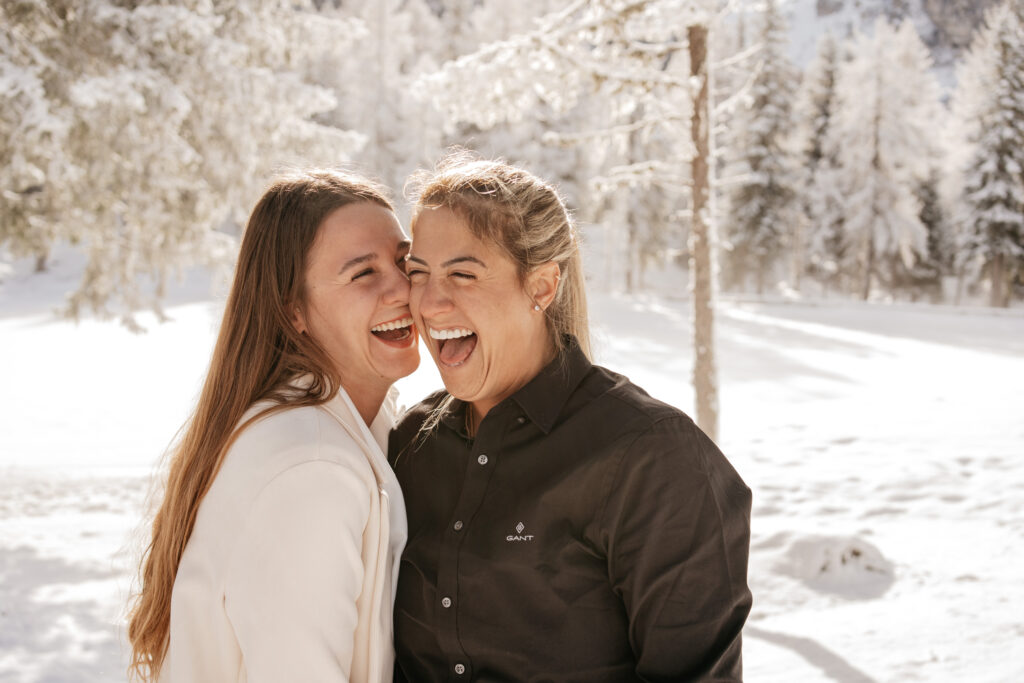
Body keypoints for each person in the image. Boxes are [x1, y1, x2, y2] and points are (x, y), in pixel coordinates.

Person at [389, 151, 752, 682]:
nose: (430, 302)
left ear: (541, 286)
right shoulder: (409, 445)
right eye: (418, 273)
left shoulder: (652, 458)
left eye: (463, 273)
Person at [127, 169, 419, 682]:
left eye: (403, 261)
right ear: (294, 312)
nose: (402, 289)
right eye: (363, 273)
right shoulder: (311, 468)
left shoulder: (348, 426)